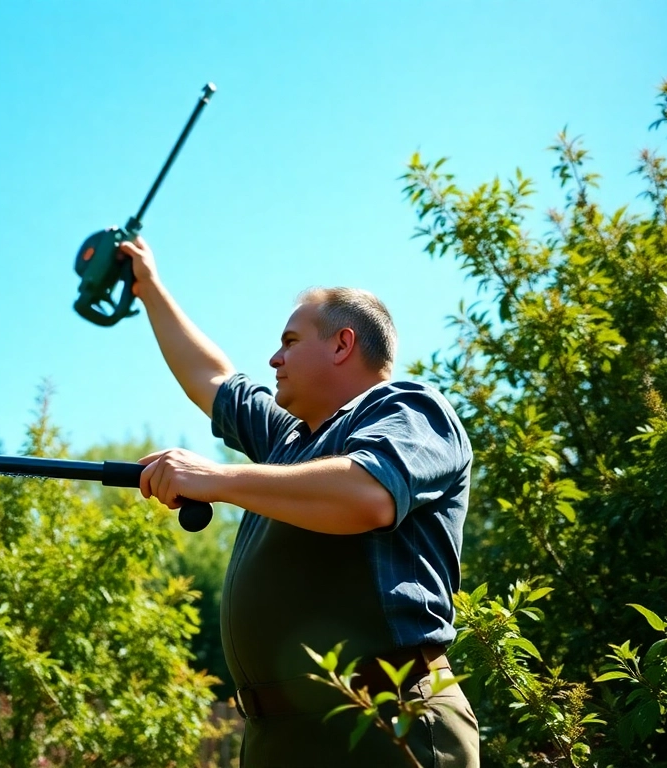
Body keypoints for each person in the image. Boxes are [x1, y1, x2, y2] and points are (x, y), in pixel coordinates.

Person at [117, 235, 480, 767]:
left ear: (342, 345)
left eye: (289, 341)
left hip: (383, 720)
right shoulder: (289, 442)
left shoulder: (412, 410)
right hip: (278, 738)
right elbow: (211, 377)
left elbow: (367, 494)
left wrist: (215, 478)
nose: (274, 357)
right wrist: (147, 287)